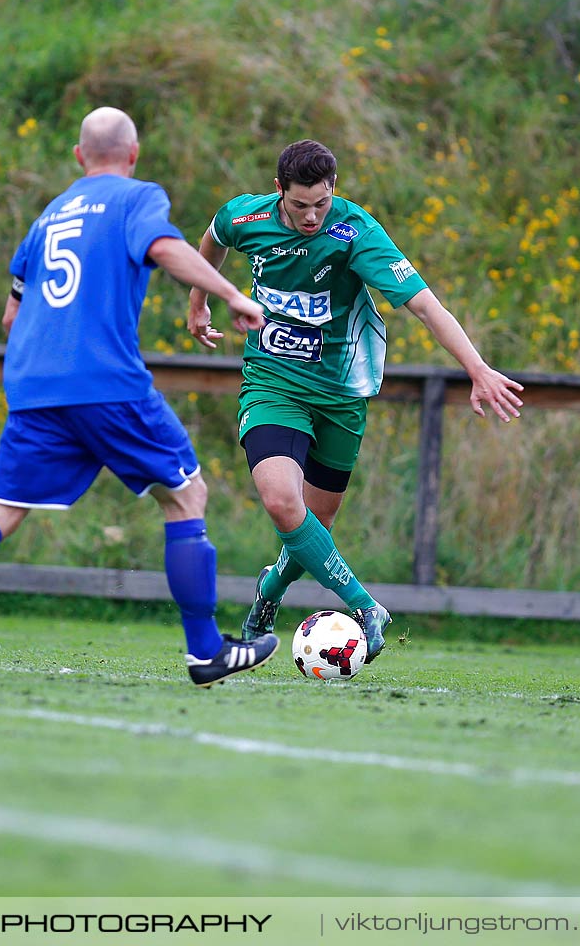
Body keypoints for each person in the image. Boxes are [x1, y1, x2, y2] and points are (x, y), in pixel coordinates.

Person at [0, 107, 280, 686]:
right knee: (185, 494)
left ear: (79, 156)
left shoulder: (47, 218)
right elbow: (165, 248)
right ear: (133, 153)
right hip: (105, 382)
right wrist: (229, 292)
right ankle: (206, 651)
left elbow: (11, 315)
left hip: (33, 387)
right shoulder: (135, 197)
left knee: (2, 509)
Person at [186, 139, 524, 663]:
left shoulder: (354, 231)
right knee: (281, 501)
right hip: (272, 384)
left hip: (341, 398)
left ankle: (269, 593)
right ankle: (365, 606)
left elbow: (424, 305)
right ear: (279, 192)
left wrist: (476, 369)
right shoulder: (246, 215)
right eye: (299, 205)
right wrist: (200, 301)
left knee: (314, 527)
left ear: (333, 190)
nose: (311, 216)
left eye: (320, 203)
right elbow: (210, 241)